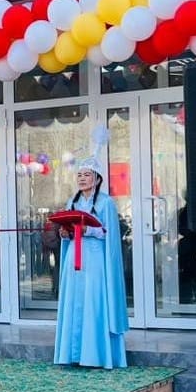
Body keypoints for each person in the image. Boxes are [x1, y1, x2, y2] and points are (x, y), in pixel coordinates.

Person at [53, 158, 129, 369]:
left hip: (94, 258)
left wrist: (89, 230)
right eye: (79, 175)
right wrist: (65, 233)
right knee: (73, 299)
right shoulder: (72, 202)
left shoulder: (106, 202)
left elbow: (109, 233)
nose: (82, 179)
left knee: (94, 300)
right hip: (73, 258)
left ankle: (96, 355)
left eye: (87, 175)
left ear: (97, 179)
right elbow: (68, 230)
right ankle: (72, 354)